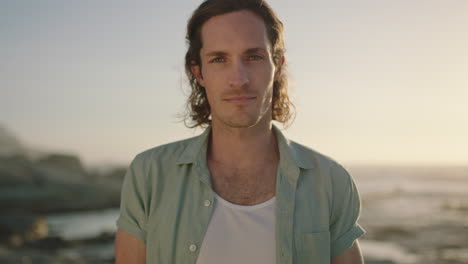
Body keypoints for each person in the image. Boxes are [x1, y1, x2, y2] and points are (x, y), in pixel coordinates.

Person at [114, 0, 365, 263]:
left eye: (253, 56)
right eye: (219, 59)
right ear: (198, 72)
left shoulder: (331, 181)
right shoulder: (149, 175)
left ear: (277, 66)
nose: (239, 79)